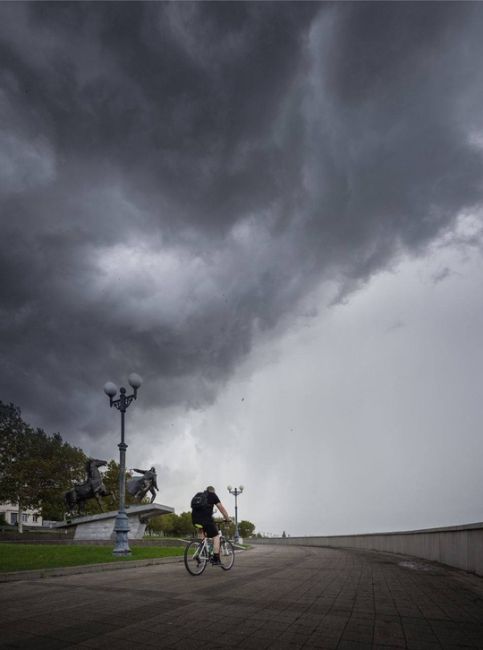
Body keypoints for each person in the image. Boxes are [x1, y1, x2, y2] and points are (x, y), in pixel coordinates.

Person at [191, 486, 230, 565]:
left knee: (202, 533)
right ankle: (216, 558)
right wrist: (227, 518)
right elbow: (221, 508)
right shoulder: (212, 495)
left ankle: (201, 552)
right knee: (216, 536)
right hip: (206, 520)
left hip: (195, 520)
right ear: (213, 491)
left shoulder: (198, 494)